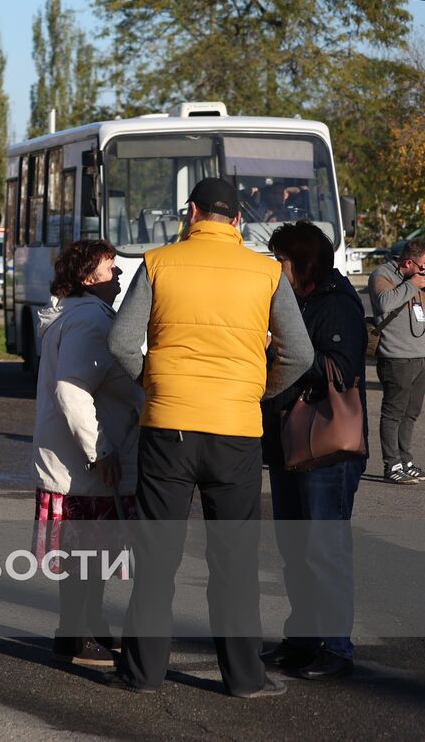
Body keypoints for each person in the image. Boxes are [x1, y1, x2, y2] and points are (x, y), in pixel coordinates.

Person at [106, 176, 313, 698]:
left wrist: (155, 383)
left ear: (191, 212)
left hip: (167, 427)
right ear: (239, 221)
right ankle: (244, 677)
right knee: (234, 560)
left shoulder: (157, 263)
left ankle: (142, 672)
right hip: (236, 431)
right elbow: (301, 355)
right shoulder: (267, 273)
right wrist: (257, 390)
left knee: (156, 557)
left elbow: (123, 342)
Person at [261, 221, 368, 681]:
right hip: (289, 440)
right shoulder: (293, 300)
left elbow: (340, 369)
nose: (275, 267)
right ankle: (303, 638)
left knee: (324, 548)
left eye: (281, 259)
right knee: (296, 548)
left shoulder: (336, 303)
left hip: (324, 445)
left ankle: (335, 647)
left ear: (301, 261)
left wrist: (279, 351)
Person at [31, 239, 142, 669]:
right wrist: (102, 450)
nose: (117, 277)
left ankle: (86, 627)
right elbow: (72, 390)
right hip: (84, 463)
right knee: (85, 556)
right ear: (86, 278)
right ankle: (73, 636)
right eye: (110, 269)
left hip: (76, 460)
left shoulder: (80, 314)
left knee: (89, 555)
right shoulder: (90, 321)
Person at [367, 236, 425, 484]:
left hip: (420, 355)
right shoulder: (383, 274)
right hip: (396, 358)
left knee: (411, 413)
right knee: (393, 413)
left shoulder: (418, 280)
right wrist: (412, 284)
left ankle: (407, 460)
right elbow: (384, 303)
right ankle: (392, 465)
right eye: (423, 267)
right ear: (409, 263)